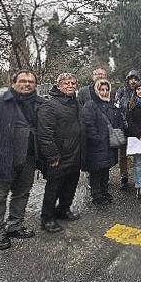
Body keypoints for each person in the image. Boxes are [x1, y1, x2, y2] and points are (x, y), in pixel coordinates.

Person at [0, 70, 45, 250]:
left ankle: (15, 226)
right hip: (0, 160)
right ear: (13, 83)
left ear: (35, 85)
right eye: (22, 80)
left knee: (22, 194)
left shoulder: (40, 104)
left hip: (28, 159)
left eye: (31, 81)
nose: (27, 84)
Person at [37, 73, 84, 233]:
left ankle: (63, 210)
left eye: (73, 82)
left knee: (70, 185)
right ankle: (47, 218)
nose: (70, 85)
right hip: (58, 156)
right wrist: (52, 155)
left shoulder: (75, 102)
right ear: (58, 85)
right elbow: (44, 134)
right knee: (54, 188)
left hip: (75, 153)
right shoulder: (49, 105)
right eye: (66, 83)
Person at [82, 79, 125, 206]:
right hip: (96, 145)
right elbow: (88, 124)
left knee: (105, 170)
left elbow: (118, 122)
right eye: (101, 89)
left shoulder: (112, 104)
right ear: (96, 90)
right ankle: (97, 196)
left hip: (109, 145)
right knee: (96, 172)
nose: (104, 92)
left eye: (106, 89)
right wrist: (96, 139)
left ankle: (105, 192)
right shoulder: (90, 105)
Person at [114, 70, 141, 189]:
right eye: (131, 78)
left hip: (136, 128)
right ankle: (124, 177)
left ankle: (138, 178)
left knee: (137, 154)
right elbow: (117, 107)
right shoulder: (121, 91)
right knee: (123, 155)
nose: (133, 81)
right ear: (127, 80)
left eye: (135, 78)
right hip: (123, 127)